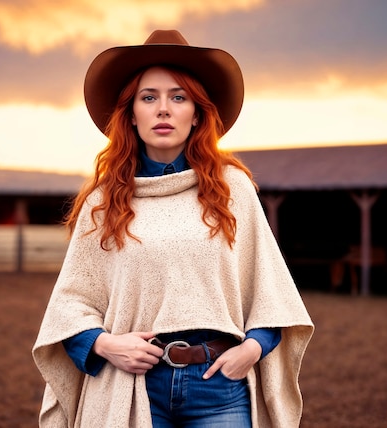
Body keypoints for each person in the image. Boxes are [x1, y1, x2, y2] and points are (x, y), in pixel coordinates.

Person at [32, 29, 314, 428]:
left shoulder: (232, 190)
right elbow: (70, 307)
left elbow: (271, 293)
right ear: (131, 113)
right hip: (131, 384)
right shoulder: (104, 199)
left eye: (178, 97)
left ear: (197, 113)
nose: (163, 109)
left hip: (219, 387)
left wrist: (252, 349)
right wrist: (107, 345)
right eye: (149, 97)